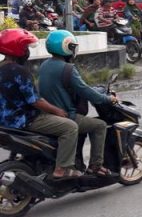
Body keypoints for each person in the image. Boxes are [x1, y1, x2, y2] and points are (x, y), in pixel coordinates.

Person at [0, 28, 82, 180]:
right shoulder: (20, 72)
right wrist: (57, 110)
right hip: (25, 120)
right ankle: (62, 169)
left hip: (4, 123)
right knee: (71, 127)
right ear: (17, 49)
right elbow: (35, 101)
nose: (27, 52)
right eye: (25, 48)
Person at [37, 30, 117, 177]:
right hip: (66, 115)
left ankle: (77, 160)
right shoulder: (68, 68)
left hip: (49, 114)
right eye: (72, 46)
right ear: (66, 47)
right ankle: (96, 166)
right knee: (99, 126)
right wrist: (107, 99)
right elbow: (84, 90)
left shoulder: (44, 65)